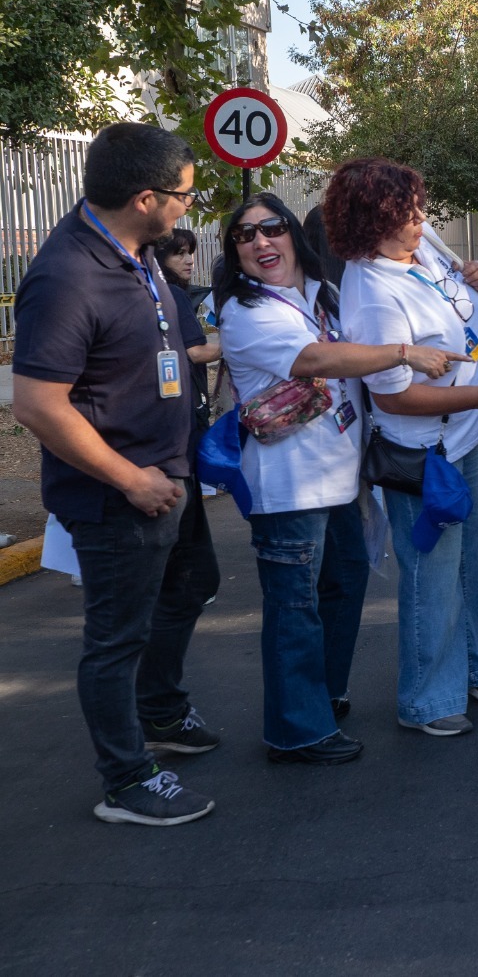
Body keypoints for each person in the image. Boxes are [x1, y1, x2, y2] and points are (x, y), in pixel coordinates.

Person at [12, 122, 220, 825]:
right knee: (115, 640)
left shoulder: (140, 251)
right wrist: (131, 480)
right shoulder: (67, 274)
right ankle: (127, 780)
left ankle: (158, 714)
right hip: (120, 497)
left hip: (168, 475)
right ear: (144, 197)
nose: (190, 207)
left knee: (194, 582)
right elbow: (37, 403)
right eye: (185, 197)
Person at [214, 193, 466, 764]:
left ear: (294, 237)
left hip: (340, 479)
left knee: (345, 582)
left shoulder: (320, 293)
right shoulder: (247, 310)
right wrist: (403, 354)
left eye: (271, 229)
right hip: (289, 486)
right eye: (245, 236)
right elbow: (317, 361)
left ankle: (322, 695)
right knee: (294, 606)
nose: (260, 242)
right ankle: (296, 730)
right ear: (235, 255)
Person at [325, 157, 478, 738]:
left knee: (470, 563)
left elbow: (462, 315)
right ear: (372, 221)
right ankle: (427, 700)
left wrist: (468, 283)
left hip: (463, 440)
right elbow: (392, 400)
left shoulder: (420, 253)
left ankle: (476, 666)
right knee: (432, 578)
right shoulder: (371, 289)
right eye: (407, 213)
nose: (422, 219)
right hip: (424, 456)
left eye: (419, 207)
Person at [152, 227, 220, 468]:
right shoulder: (175, 294)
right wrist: (234, 342)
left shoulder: (151, 291)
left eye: (190, 252)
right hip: (187, 402)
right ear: (161, 258)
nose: (189, 260)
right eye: (179, 254)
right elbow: (197, 352)